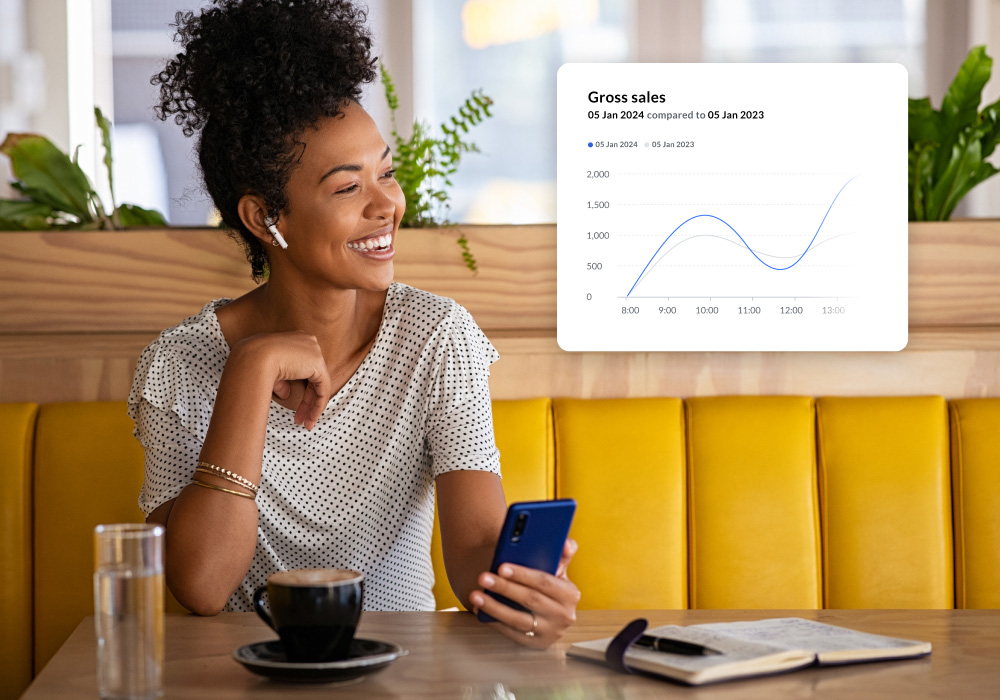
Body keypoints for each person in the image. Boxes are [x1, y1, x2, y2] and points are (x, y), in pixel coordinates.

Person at [129, 0, 579, 648]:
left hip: (401, 677)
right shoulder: (179, 365)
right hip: (246, 685)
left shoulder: (435, 338)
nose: (387, 204)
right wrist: (250, 372)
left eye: (386, 173)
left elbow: (474, 550)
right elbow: (200, 585)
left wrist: (520, 587)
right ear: (264, 218)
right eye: (347, 188)